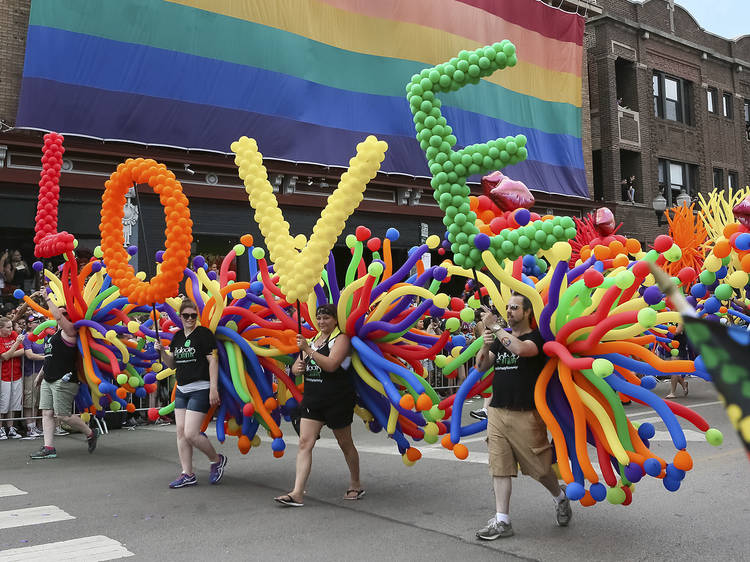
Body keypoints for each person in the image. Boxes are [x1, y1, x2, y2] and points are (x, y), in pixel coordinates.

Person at [474, 294, 571, 539]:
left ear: (527, 312)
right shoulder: (500, 337)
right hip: (497, 411)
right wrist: (485, 344)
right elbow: (481, 367)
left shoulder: (536, 337)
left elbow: (520, 349)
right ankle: (502, 520)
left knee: (540, 469)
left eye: (514, 308)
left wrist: (494, 326)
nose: (509, 311)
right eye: (507, 307)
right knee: (500, 466)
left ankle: (560, 496)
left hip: (526, 414)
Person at [275, 304, 363, 507]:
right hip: (313, 400)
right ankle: (297, 492)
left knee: (345, 443)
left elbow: (332, 365)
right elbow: (298, 369)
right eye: (319, 318)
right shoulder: (314, 339)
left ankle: (355, 483)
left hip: (337, 399)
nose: (322, 322)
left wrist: (307, 350)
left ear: (335, 320)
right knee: (305, 443)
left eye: (326, 318)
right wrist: (298, 367)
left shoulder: (341, 339)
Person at [156, 300, 227, 488]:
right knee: (180, 432)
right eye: (186, 315)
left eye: (193, 316)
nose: (189, 319)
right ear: (180, 317)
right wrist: (162, 352)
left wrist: (213, 388)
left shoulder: (203, 334)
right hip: (182, 389)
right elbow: (172, 365)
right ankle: (187, 473)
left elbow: (213, 361)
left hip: (200, 388)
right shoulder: (177, 336)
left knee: (191, 433)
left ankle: (216, 459)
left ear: (197, 316)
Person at [30, 294, 98, 458]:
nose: (59, 316)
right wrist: (40, 377)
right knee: (46, 412)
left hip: (64, 379)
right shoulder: (53, 335)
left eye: (63, 314)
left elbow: (59, 317)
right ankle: (48, 448)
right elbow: (49, 357)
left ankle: (90, 433)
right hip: (49, 378)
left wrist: (47, 299)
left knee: (63, 415)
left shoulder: (71, 331)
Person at [0, 317, 25, 440]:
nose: (11, 329)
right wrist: (15, 345)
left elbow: (22, 351)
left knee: (14, 403)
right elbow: (4, 356)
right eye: (8, 327)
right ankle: (0, 429)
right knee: (3, 403)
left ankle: (11, 429)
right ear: (1, 328)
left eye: (11, 326)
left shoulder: (14, 334)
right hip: (4, 375)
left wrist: (9, 354)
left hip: (16, 373)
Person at [22, 314, 45, 438]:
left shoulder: (43, 336)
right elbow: (29, 355)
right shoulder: (27, 337)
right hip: (31, 372)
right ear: (29, 324)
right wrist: (46, 357)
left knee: (39, 402)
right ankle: (30, 428)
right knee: (30, 401)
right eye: (36, 321)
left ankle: (37, 426)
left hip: (42, 371)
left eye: (40, 321)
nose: (39, 323)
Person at [665, 323, 689, 399]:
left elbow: (676, 332)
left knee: (674, 370)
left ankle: (672, 392)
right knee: (668, 369)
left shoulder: (680, 319)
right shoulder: (667, 319)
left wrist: (664, 331)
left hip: (678, 347)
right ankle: (683, 384)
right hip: (669, 347)